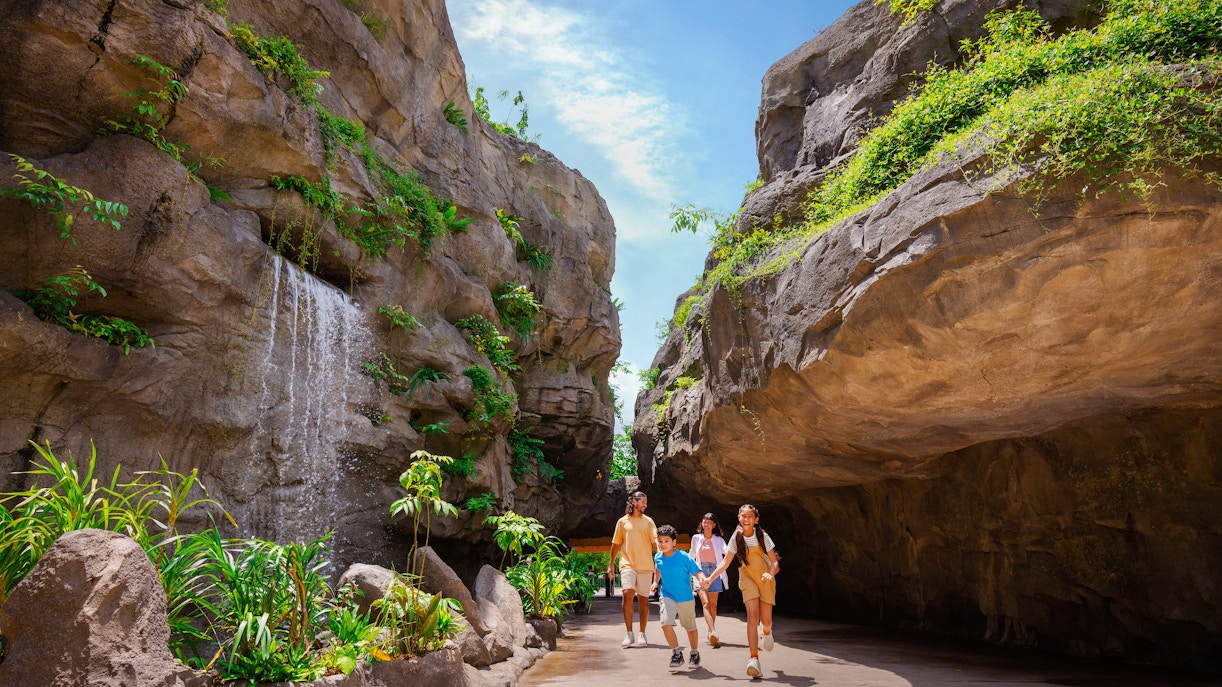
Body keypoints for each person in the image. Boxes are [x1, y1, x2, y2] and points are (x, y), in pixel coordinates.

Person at [701, 504, 779, 679]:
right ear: (739, 518)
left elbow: (774, 562)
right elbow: (725, 562)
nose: (746, 519)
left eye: (750, 516)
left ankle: (766, 631)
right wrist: (709, 579)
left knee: (766, 621)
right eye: (743, 516)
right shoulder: (736, 538)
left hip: (765, 578)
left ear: (756, 519)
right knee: (752, 617)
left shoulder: (763, 536)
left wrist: (770, 573)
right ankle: (753, 659)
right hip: (747, 578)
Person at [607, 491, 658, 647]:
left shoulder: (649, 522)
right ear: (634, 502)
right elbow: (615, 544)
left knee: (643, 600)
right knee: (627, 593)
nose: (645, 505)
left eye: (646, 502)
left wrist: (665, 558)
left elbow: (655, 543)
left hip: (646, 566)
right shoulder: (622, 522)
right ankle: (629, 633)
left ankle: (642, 633)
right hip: (627, 564)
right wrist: (610, 565)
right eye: (643, 502)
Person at [651, 524, 707, 669]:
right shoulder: (658, 557)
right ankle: (676, 652)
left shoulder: (684, 557)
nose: (663, 544)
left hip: (685, 598)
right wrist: (655, 582)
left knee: (690, 628)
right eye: (660, 541)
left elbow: (697, 571)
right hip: (667, 595)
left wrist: (702, 579)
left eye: (666, 541)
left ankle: (694, 653)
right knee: (665, 623)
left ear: (674, 542)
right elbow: (658, 570)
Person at [688, 512, 728, 648]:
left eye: (709, 522)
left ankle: (711, 629)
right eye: (704, 522)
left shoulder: (719, 539)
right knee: (705, 603)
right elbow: (691, 555)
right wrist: (687, 571)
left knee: (713, 605)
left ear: (714, 525)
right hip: (701, 571)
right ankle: (713, 631)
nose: (706, 525)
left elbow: (727, 551)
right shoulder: (696, 538)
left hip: (715, 571)